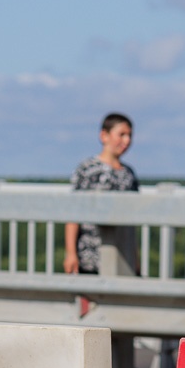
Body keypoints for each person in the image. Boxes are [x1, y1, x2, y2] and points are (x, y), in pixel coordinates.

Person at [64, 113, 137, 276]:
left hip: (123, 256)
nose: (127, 141)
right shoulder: (88, 169)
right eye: (122, 134)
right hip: (90, 256)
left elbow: (133, 223)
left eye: (130, 135)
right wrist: (71, 253)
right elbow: (73, 213)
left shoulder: (129, 174)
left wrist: (136, 258)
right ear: (104, 135)